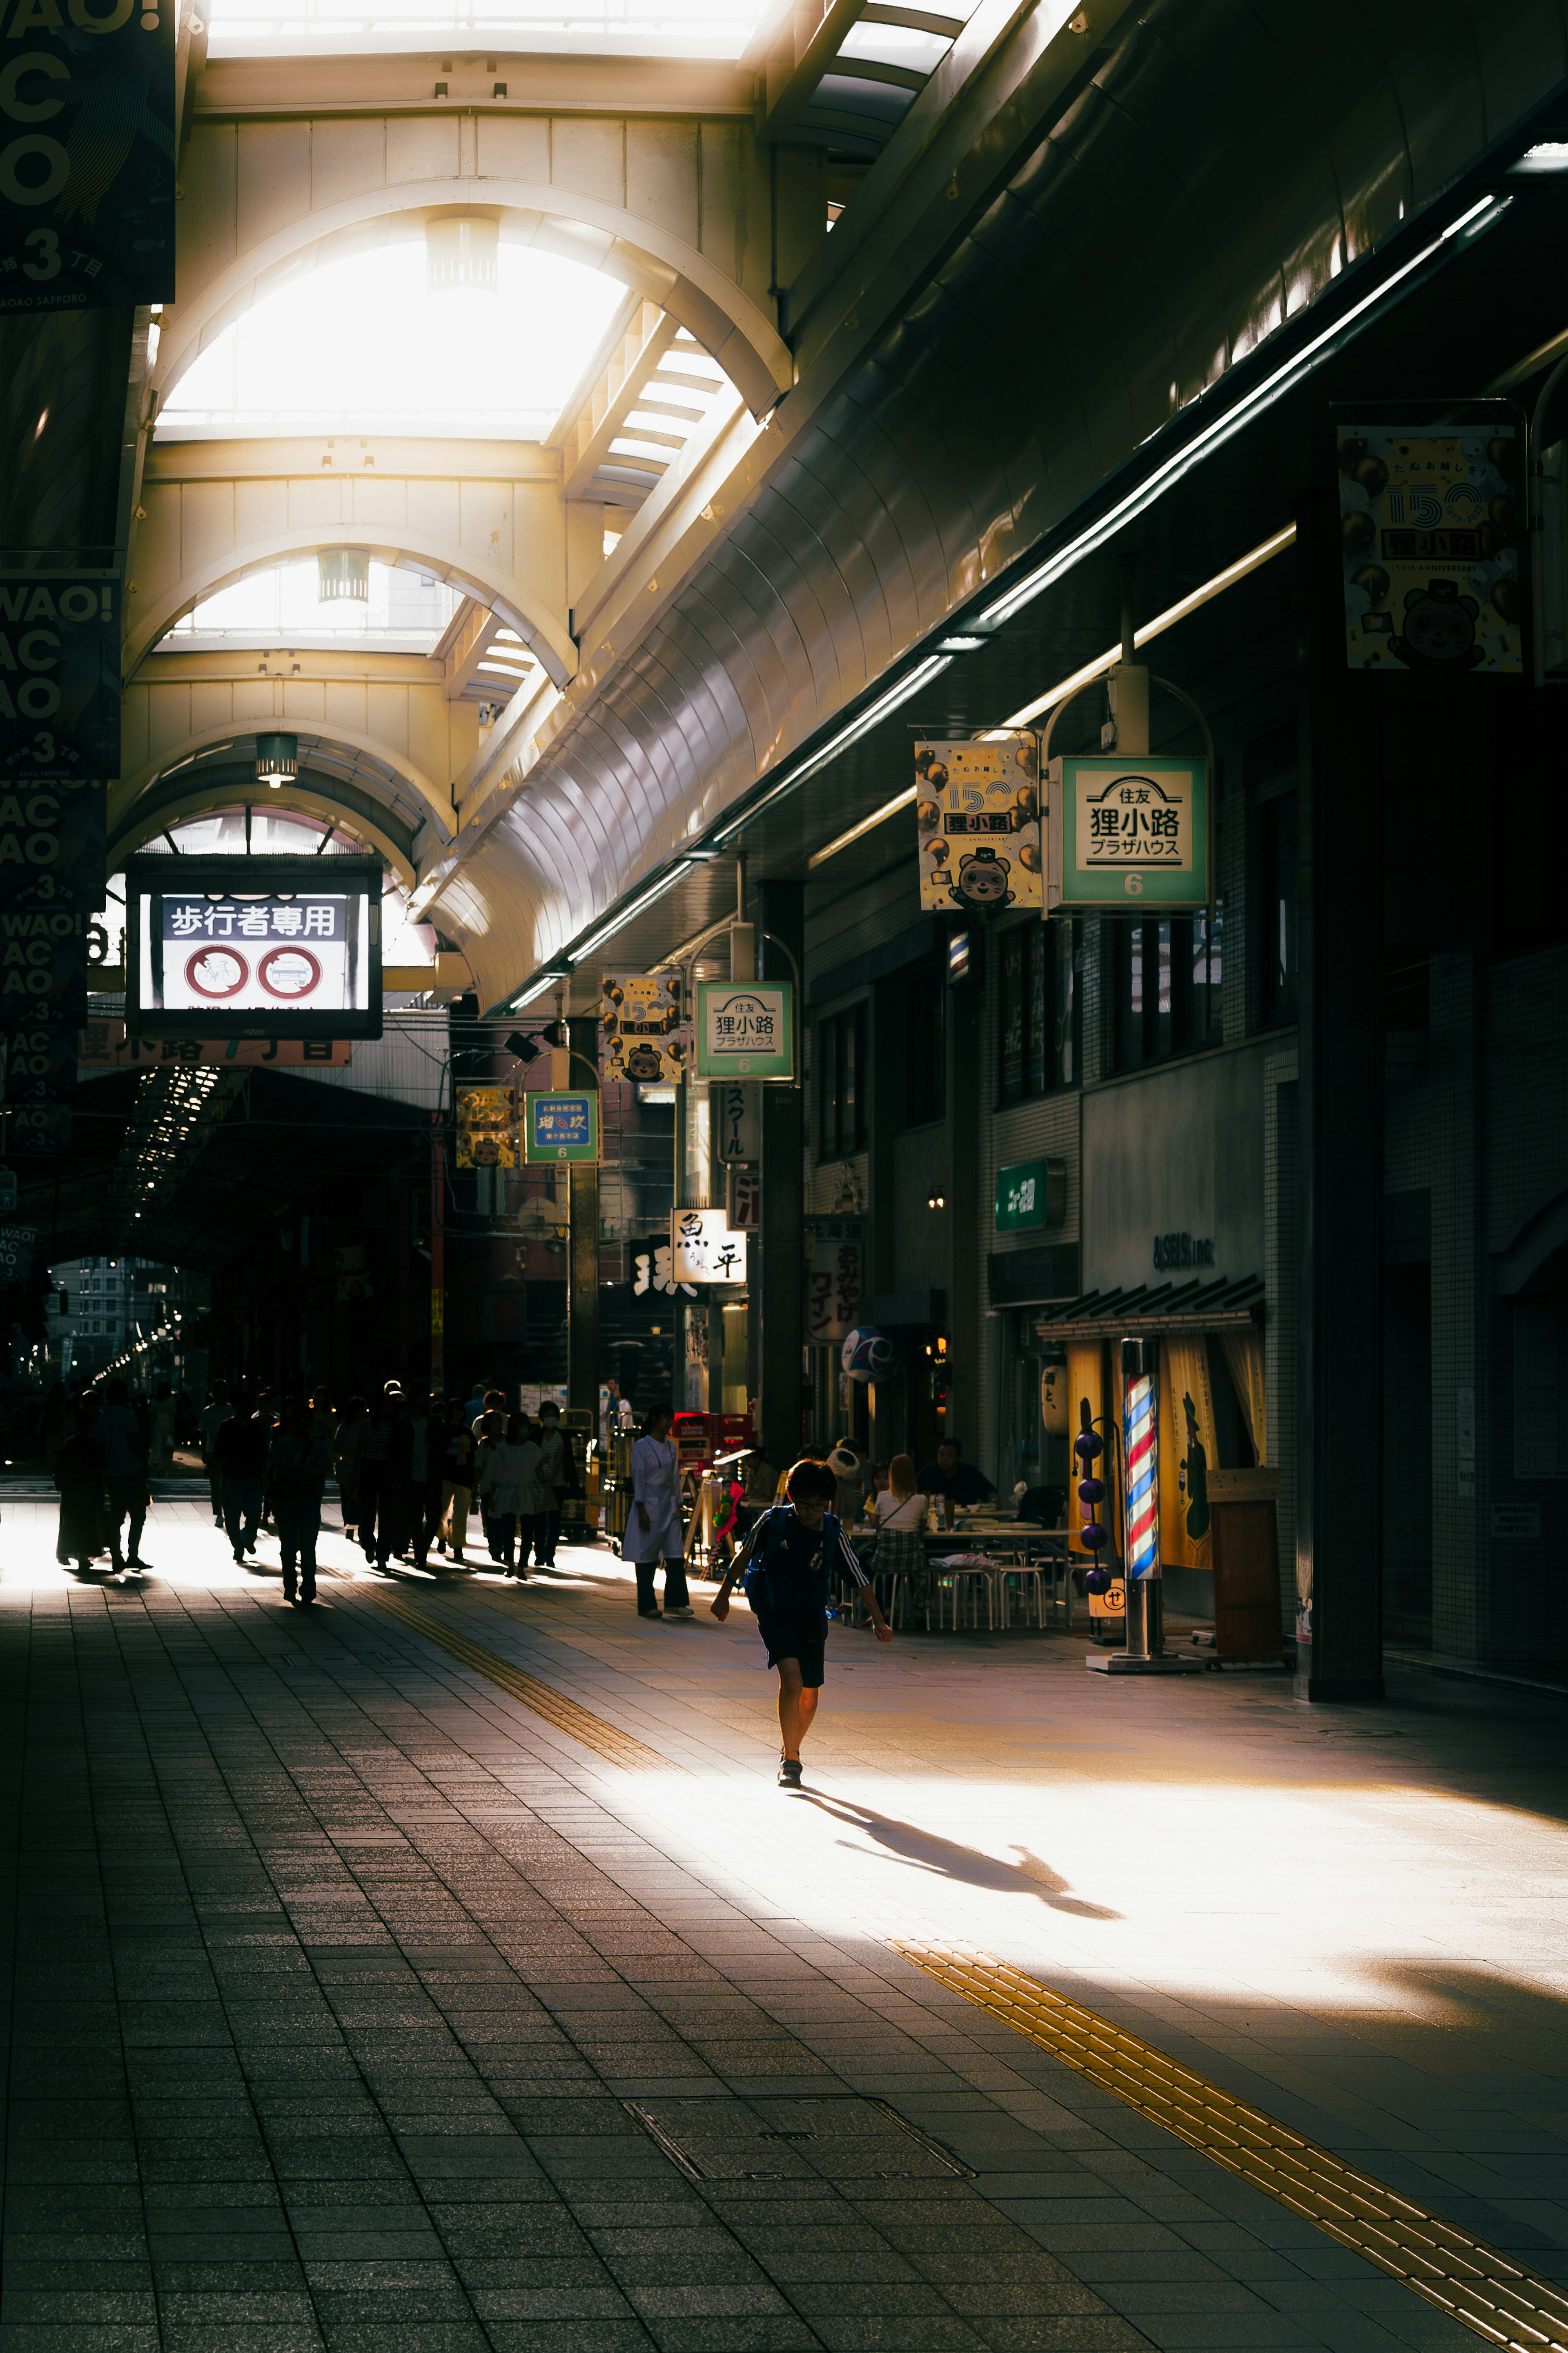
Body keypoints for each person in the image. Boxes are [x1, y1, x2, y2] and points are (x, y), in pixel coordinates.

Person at [711, 1458, 892, 1786]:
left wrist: (879, 1621)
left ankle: (790, 1746)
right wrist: (724, 1594)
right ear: (791, 1495)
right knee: (792, 1681)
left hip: (811, 1615)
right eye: (803, 1503)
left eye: (818, 1505)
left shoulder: (833, 1532)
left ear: (828, 1503)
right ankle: (792, 1762)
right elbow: (744, 1555)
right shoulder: (774, 1520)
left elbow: (860, 1579)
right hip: (775, 1611)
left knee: (810, 1693)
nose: (810, 1511)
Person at [628, 1404, 692, 1619]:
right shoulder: (642, 1447)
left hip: (669, 1506)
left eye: (670, 1418)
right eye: (666, 1418)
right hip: (649, 1505)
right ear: (655, 1419)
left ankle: (675, 1602)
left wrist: (678, 1502)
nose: (669, 1423)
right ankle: (646, 1604)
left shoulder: (671, 1446)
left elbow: (675, 1478)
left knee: (675, 1554)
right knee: (647, 1556)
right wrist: (641, 1508)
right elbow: (638, 1479)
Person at [267, 1401, 330, 1604]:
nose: (302, 1424)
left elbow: (320, 1472)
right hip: (289, 1501)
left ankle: (308, 1584)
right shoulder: (285, 1445)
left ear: (311, 1423)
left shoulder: (318, 1446)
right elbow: (282, 1472)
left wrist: (297, 1469)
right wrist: (306, 1472)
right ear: (294, 1423)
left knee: (307, 1544)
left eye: (306, 1420)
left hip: (308, 1502)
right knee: (290, 1545)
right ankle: (291, 1584)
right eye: (299, 1420)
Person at [477, 1412, 548, 1575]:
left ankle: (522, 1565)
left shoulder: (532, 1449)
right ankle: (510, 1564)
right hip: (508, 1493)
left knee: (527, 1531)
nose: (523, 1430)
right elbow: (496, 1475)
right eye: (520, 1426)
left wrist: (543, 1467)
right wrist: (493, 1497)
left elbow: (540, 1473)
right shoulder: (503, 1449)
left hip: (528, 1493)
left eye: (525, 1426)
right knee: (508, 1531)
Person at [96, 1378, 151, 1573]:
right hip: (130, 1472)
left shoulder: (102, 1419)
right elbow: (136, 1443)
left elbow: (101, 1448)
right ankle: (133, 1555)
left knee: (117, 1517)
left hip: (112, 1474)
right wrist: (144, 1464)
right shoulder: (128, 1417)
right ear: (120, 1397)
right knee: (138, 1516)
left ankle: (117, 1557)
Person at [871, 1453, 929, 1621]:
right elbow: (922, 1528)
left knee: (882, 1566)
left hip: (884, 1559)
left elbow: (875, 1526)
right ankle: (919, 1609)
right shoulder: (922, 1500)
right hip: (911, 1559)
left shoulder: (882, 1497)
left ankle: (887, 1608)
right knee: (923, 1570)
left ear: (892, 1475)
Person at [54, 1398, 107, 1575]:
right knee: (86, 1523)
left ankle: (66, 1552)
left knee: (71, 1522)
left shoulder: (71, 1442)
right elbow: (97, 1469)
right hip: (87, 1489)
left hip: (71, 1490)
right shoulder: (92, 1445)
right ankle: (83, 1558)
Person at [215, 1394, 269, 1563]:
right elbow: (220, 1454)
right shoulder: (227, 1426)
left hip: (252, 1477)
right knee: (232, 1517)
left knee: (253, 1515)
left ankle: (246, 1540)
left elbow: (264, 1454)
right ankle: (239, 1547)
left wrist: (265, 1476)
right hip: (232, 1477)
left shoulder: (256, 1426)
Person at [390, 1389, 441, 1567]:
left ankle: (422, 1548)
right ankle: (421, 1551)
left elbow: (443, 1446)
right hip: (410, 1477)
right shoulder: (403, 1424)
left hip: (432, 1476)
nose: (425, 1402)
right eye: (422, 1398)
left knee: (435, 1516)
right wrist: (396, 1477)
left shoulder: (434, 1423)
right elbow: (394, 1452)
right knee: (415, 1517)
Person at [916, 1436, 997, 1531]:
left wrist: (995, 1510)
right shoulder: (928, 1473)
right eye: (941, 1455)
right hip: (934, 1525)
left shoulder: (969, 1473)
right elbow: (911, 1494)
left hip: (965, 1526)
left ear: (958, 1457)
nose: (944, 1459)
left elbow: (993, 1495)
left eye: (949, 1456)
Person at [357, 1392, 396, 1567]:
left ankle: (382, 1555)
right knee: (367, 1513)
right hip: (369, 1468)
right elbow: (359, 1450)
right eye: (386, 1405)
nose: (389, 1409)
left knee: (386, 1515)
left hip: (388, 1469)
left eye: (391, 1406)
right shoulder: (366, 1425)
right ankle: (369, 1544)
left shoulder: (394, 1427)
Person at [436, 1399, 474, 1566]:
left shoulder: (467, 1432)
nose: (458, 1413)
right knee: (442, 1510)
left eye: (460, 1410)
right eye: (454, 1410)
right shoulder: (443, 1430)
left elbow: (475, 1456)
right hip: (446, 1475)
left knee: (460, 1514)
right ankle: (442, 1536)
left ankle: (457, 1546)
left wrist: (468, 1451)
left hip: (464, 1477)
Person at [536, 1399, 570, 1566]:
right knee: (540, 1521)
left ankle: (550, 1555)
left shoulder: (562, 1436)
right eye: (548, 1415)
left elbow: (565, 1460)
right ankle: (539, 1554)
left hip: (557, 1485)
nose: (551, 1418)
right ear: (542, 1417)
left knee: (555, 1522)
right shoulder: (536, 1436)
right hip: (539, 1484)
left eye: (553, 1416)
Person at [198, 1381, 235, 1526]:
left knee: (228, 1483)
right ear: (215, 1394)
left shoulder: (232, 1410)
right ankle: (219, 1513)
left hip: (230, 1453)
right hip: (213, 1451)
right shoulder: (208, 1412)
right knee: (216, 1485)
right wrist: (204, 1452)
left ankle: (226, 1511)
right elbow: (204, 1433)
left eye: (225, 1392)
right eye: (220, 1392)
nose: (223, 1395)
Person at [332, 1395, 368, 1541]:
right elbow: (336, 1447)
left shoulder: (364, 1426)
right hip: (348, 1466)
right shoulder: (346, 1427)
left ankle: (354, 1525)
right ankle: (350, 1524)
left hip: (360, 1466)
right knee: (348, 1497)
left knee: (358, 1498)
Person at [149, 1383, 176, 1474]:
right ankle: (165, 1464)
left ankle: (158, 1461)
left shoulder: (155, 1401)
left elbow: (152, 1417)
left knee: (158, 1443)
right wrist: (172, 1429)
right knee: (167, 1445)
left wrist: (152, 1428)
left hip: (158, 1423)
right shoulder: (170, 1402)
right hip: (167, 1423)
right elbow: (172, 1416)